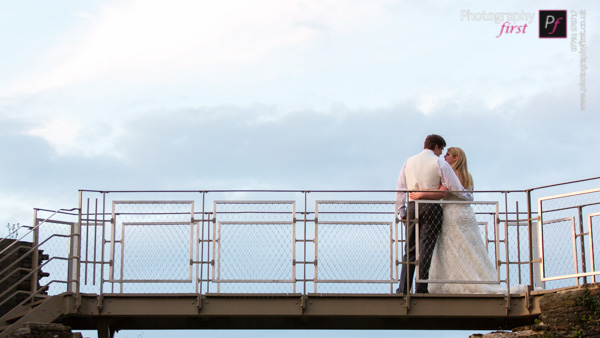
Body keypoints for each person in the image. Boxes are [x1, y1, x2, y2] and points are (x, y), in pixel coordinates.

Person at [416, 147, 515, 294]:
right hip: (466, 213)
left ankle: (453, 281)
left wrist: (421, 194)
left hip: (452, 213)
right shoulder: (467, 175)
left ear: (456, 158)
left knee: (451, 247)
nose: (445, 156)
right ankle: (476, 278)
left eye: (448, 155)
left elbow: (441, 192)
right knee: (470, 247)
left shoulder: (452, 174)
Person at [395, 135, 472, 294]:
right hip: (431, 208)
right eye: (441, 149)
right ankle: (421, 288)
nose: (441, 152)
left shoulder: (408, 162)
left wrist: (401, 211)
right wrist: (468, 196)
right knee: (426, 248)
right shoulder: (439, 162)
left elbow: (400, 189)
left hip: (411, 206)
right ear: (436, 147)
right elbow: (455, 187)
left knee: (409, 249)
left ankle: (403, 289)